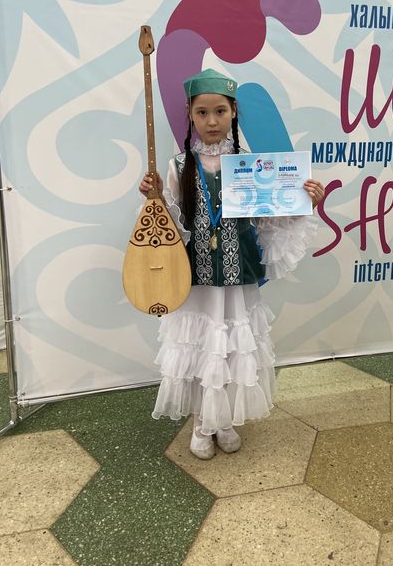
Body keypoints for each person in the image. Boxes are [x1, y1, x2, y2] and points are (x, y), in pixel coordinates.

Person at [139, 68, 324, 459]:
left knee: (230, 350)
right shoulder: (178, 166)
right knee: (201, 348)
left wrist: (305, 199)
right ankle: (201, 424)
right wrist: (154, 198)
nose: (212, 121)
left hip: (238, 278)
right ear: (190, 114)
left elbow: (271, 220)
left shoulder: (252, 167)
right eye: (202, 112)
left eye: (220, 111)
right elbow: (169, 227)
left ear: (233, 112)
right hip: (196, 281)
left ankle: (222, 421)